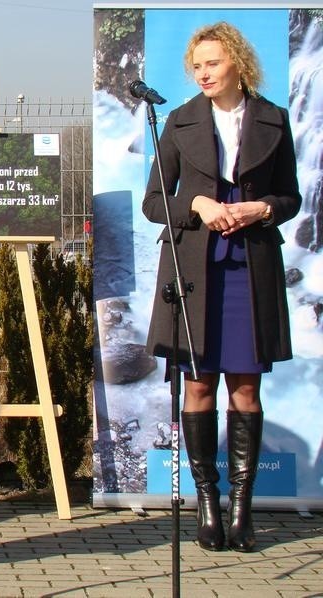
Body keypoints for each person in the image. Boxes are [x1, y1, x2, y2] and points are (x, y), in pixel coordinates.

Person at [142, 22, 301, 553]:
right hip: (193, 268)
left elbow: (291, 199)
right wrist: (197, 204)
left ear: (236, 62)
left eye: (212, 63)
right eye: (196, 66)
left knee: (246, 388)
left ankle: (243, 510)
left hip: (250, 264)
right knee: (198, 386)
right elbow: (152, 202)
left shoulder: (273, 119)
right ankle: (207, 504)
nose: (202, 73)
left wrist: (262, 208)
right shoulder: (180, 120)